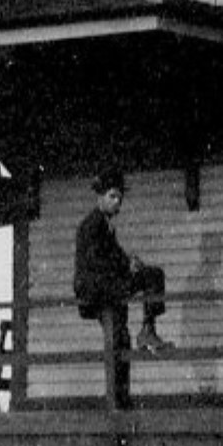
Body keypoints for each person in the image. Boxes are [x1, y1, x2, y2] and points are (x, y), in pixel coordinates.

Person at [74, 170, 173, 409]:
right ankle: (147, 331)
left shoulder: (106, 225)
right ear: (100, 197)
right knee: (153, 277)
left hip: (108, 286)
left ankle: (122, 398)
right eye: (112, 196)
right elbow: (95, 261)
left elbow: (115, 256)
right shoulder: (92, 225)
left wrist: (131, 262)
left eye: (120, 198)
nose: (117, 202)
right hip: (96, 290)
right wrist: (125, 266)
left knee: (121, 340)